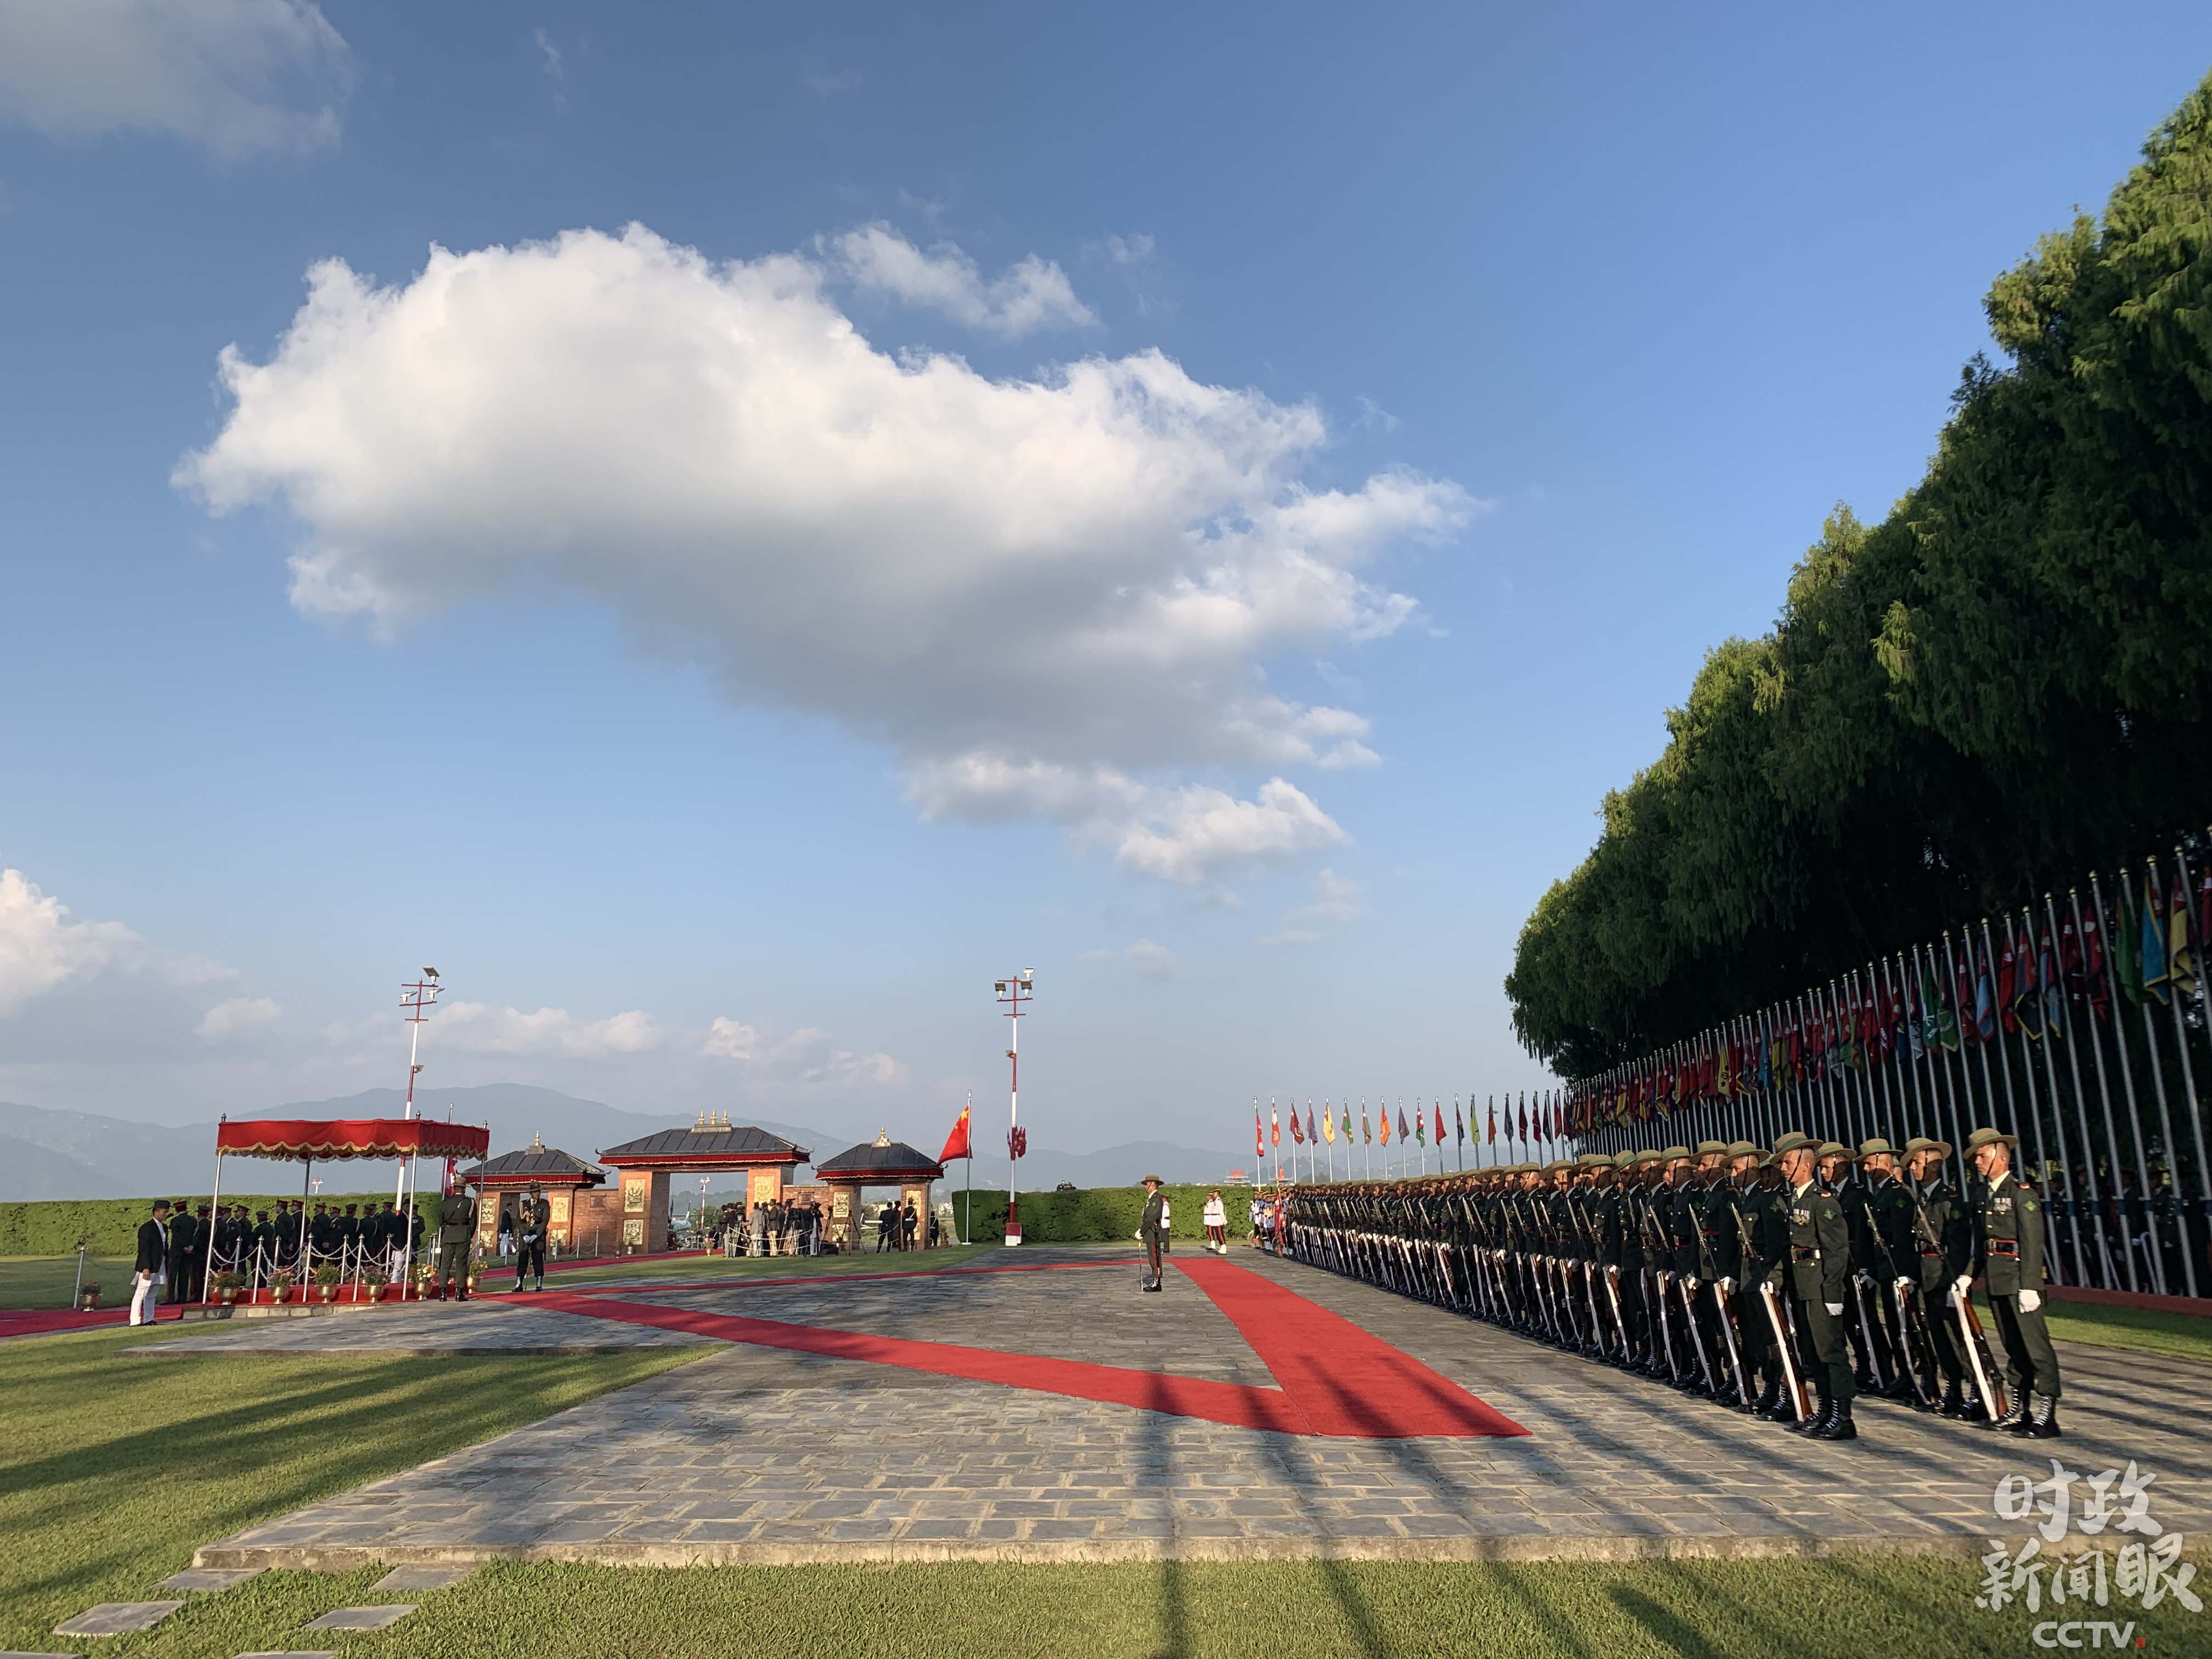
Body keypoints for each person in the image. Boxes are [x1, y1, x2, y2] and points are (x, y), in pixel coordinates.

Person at [1962, 1125, 2063, 1436]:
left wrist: (2030, 1285)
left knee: (2036, 1347)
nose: (1977, 1162)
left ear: (2001, 1158)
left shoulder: (2021, 1193)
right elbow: (1982, 1242)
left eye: (1982, 1156)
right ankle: (2021, 1408)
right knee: (2013, 1347)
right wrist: (1969, 1274)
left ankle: (2047, 1412)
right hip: (1997, 1280)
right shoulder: (1983, 1195)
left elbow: (2032, 1242)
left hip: (2020, 1280)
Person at [1774, 1131, 1856, 1439]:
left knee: (1831, 1352)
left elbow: (1837, 1251)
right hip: (1802, 1286)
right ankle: (1825, 1411)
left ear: (1805, 1165)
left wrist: (1833, 1292)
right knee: (1813, 1352)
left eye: (1788, 1163)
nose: (1783, 1168)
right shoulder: (1793, 1200)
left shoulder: (1824, 1202)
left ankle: (1843, 1417)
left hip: (1821, 1288)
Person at [129, 1200, 172, 1326]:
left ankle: (148, 1318)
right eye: (165, 1212)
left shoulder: (164, 1228)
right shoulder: (146, 1228)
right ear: (157, 1212)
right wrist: (145, 1267)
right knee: (141, 1293)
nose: (166, 1214)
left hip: (160, 1263)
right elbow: (144, 1249)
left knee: (152, 1293)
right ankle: (135, 1320)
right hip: (149, 1265)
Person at [436, 1180, 477, 1300]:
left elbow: (441, 1220)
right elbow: (473, 1222)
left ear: (454, 1188)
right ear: (464, 1189)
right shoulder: (470, 1202)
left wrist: (446, 1231)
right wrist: (469, 1235)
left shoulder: (446, 1202)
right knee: (461, 1264)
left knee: (445, 1264)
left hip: (449, 1234)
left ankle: (442, 1292)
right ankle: (459, 1292)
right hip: (463, 1233)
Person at [515, 1183, 551, 1292]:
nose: (538, 1193)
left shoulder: (544, 1204)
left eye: (539, 1191)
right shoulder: (523, 1204)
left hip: (538, 1235)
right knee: (523, 1258)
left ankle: (539, 1282)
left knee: (538, 1258)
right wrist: (524, 1234)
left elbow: (545, 1220)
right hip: (526, 1234)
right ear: (531, 1193)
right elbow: (519, 1220)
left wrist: (537, 1234)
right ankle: (519, 1282)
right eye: (536, 1191)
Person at [1138, 1175, 1168, 1291]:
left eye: (1147, 1184)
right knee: (1153, 1257)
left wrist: (1141, 1231)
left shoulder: (1156, 1199)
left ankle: (1157, 1282)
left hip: (1153, 1233)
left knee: (1155, 1258)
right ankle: (1156, 1280)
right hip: (1150, 1233)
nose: (1145, 1187)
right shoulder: (1151, 1199)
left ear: (1152, 1185)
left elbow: (1151, 1218)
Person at [1203, 1189, 1228, 1254]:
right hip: (1215, 1220)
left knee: (1220, 1234)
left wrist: (1224, 1220)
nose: (1213, 1195)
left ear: (1217, 1194)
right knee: (1218, 1234)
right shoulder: (1215, 1202)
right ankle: (1222, 1247)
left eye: (1214, 1194)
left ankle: (1224, 1247)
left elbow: (1221, 1212)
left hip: (1218, 1219)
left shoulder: (1219, 1202)